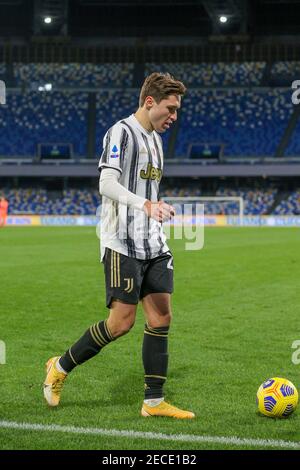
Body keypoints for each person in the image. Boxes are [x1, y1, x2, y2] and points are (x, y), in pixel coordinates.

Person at [44, 72, 195, 419]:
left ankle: (153, 403)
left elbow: (146, 190)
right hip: (121, 242)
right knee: (121, 323)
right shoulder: (121, 132)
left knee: (161, 316)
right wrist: (145, 206)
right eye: (170, 109)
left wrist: (157, 205)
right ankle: (60, 366)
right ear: (149, 102)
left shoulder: (156, 141)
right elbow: (106, 182)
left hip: (153, 241)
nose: (174, 116)